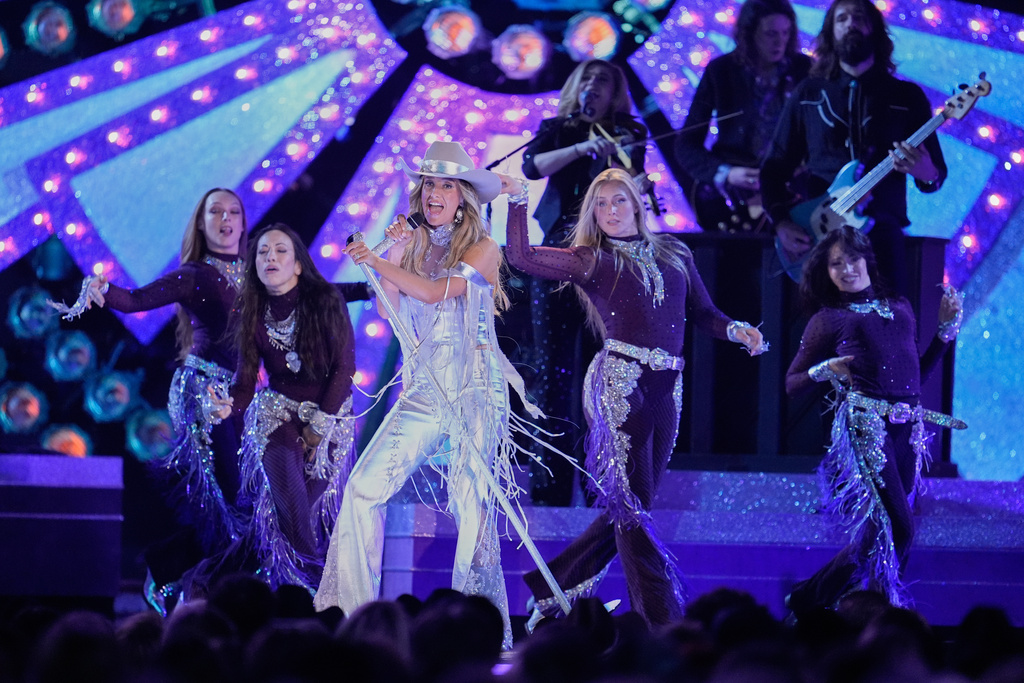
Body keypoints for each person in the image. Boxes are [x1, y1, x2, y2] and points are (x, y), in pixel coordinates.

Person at [506, 167, 767, 629]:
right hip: (619, 382)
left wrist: (735, 330)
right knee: (631, 507)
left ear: (637, 203)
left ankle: (552, 586)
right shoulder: (590, 258)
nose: (610, 211)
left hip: (668, 385)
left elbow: (704, 314)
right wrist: (518, 201)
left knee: (634, 503)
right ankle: (661, 620)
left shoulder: (675, 251)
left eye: (618, 201)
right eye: (600, 204)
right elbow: (523, 257)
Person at [314, 141, 534, 649]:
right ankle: (350, 612)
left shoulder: (484, 249)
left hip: (473, 390)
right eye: (429, 184)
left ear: (463, 196)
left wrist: (374, 257)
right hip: (423, 392)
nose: (435, 193)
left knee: (472, 504)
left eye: (446, 185)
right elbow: (394, 312)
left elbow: (435, 293)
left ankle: (473, 630)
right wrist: (388, 254)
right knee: (362, 490)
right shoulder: (410, 246)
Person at [50, 187, 250, 613]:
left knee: (248, 502)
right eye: (216, 211)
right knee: (231, 500)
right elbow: (137, 300)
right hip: (203, 391)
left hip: (243, 395)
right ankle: (174, 575)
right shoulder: (195, 273)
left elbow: (309, 296)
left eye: (234, 211)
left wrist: (370, 286)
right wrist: (104, 289)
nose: (226, 218)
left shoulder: (258, 272)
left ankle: (186, 578)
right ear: (201, 222)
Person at [783, 225, 963, 617]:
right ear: (826, 273)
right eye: (836, 264)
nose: (846, 269)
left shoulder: (900, 307)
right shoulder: (829, 319)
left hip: (908, 429)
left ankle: (811, 598)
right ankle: (885, 613)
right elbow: (792, 383)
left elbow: (918, 375)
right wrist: (826, 369)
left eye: (852, 258)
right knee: (900, 526)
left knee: (878, 531)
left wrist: (946, 332)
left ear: (866, 259)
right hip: (868, 426)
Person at [520, 59, 652, 506]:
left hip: (608, 263)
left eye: (604, 83)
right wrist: (580, 148)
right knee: (552, 369)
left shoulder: (628, 131)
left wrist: (616, 158)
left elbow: (632, 178)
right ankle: (550, 484)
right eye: (587, 81)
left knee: (605, 372)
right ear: (576, 88)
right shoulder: (558, 128)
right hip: (558, 257)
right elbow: (532, 167)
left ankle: (602, 483)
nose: (594, 89)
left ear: (616, 93)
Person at [206, 223, 357, 594]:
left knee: (289, 516)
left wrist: (319, 427)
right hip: (276, 416)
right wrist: (229, 407)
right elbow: (245, 381)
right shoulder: (251, 309)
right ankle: (322, 595)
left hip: (330, 415)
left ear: (299, 264)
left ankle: (203, 584)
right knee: (290, 509)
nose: (270, 257)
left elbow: (344, 368)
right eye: (261, 252)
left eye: (280, 251)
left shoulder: (325, 300)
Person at [760, 0, 946, 294]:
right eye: (842, 19)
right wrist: (781, 223)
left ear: (874, 29)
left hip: (881, 234)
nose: (851, 24)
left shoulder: (906, 96)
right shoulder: (808, 94)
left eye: (859, 18)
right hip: (820, 236)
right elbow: (773, 169)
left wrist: (926, 172)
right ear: (831, 32)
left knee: (888, 328)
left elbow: (935, 176)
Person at [674, 0, 811, 232]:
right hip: (735, 193)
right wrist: (725, 173)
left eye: (786, 33)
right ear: (749, 33)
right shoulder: (721, 70)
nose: (780, 42)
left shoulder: (804, 70)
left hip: (790, 188)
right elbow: (686, 143)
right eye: (770, 34)